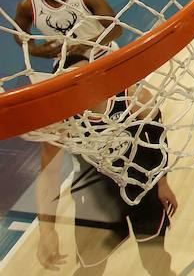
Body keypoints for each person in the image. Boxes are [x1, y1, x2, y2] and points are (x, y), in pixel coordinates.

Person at [35, 55, 178, 275]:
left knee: (155, 261)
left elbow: (157, 140)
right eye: (73, 79)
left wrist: (163, 183)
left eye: (86, 75)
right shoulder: (60, 122)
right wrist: (46, 231)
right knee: (90, 269)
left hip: (142, 191)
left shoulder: (133, 96)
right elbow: (48, 176)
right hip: (95, 200)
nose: (83, 82)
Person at [12, 0, 123, 67]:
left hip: (103, 53)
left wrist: (86, 45)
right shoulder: (28, 5)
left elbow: (116, 29)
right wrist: (33, 49)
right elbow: (18, 31)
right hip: (66, 62)